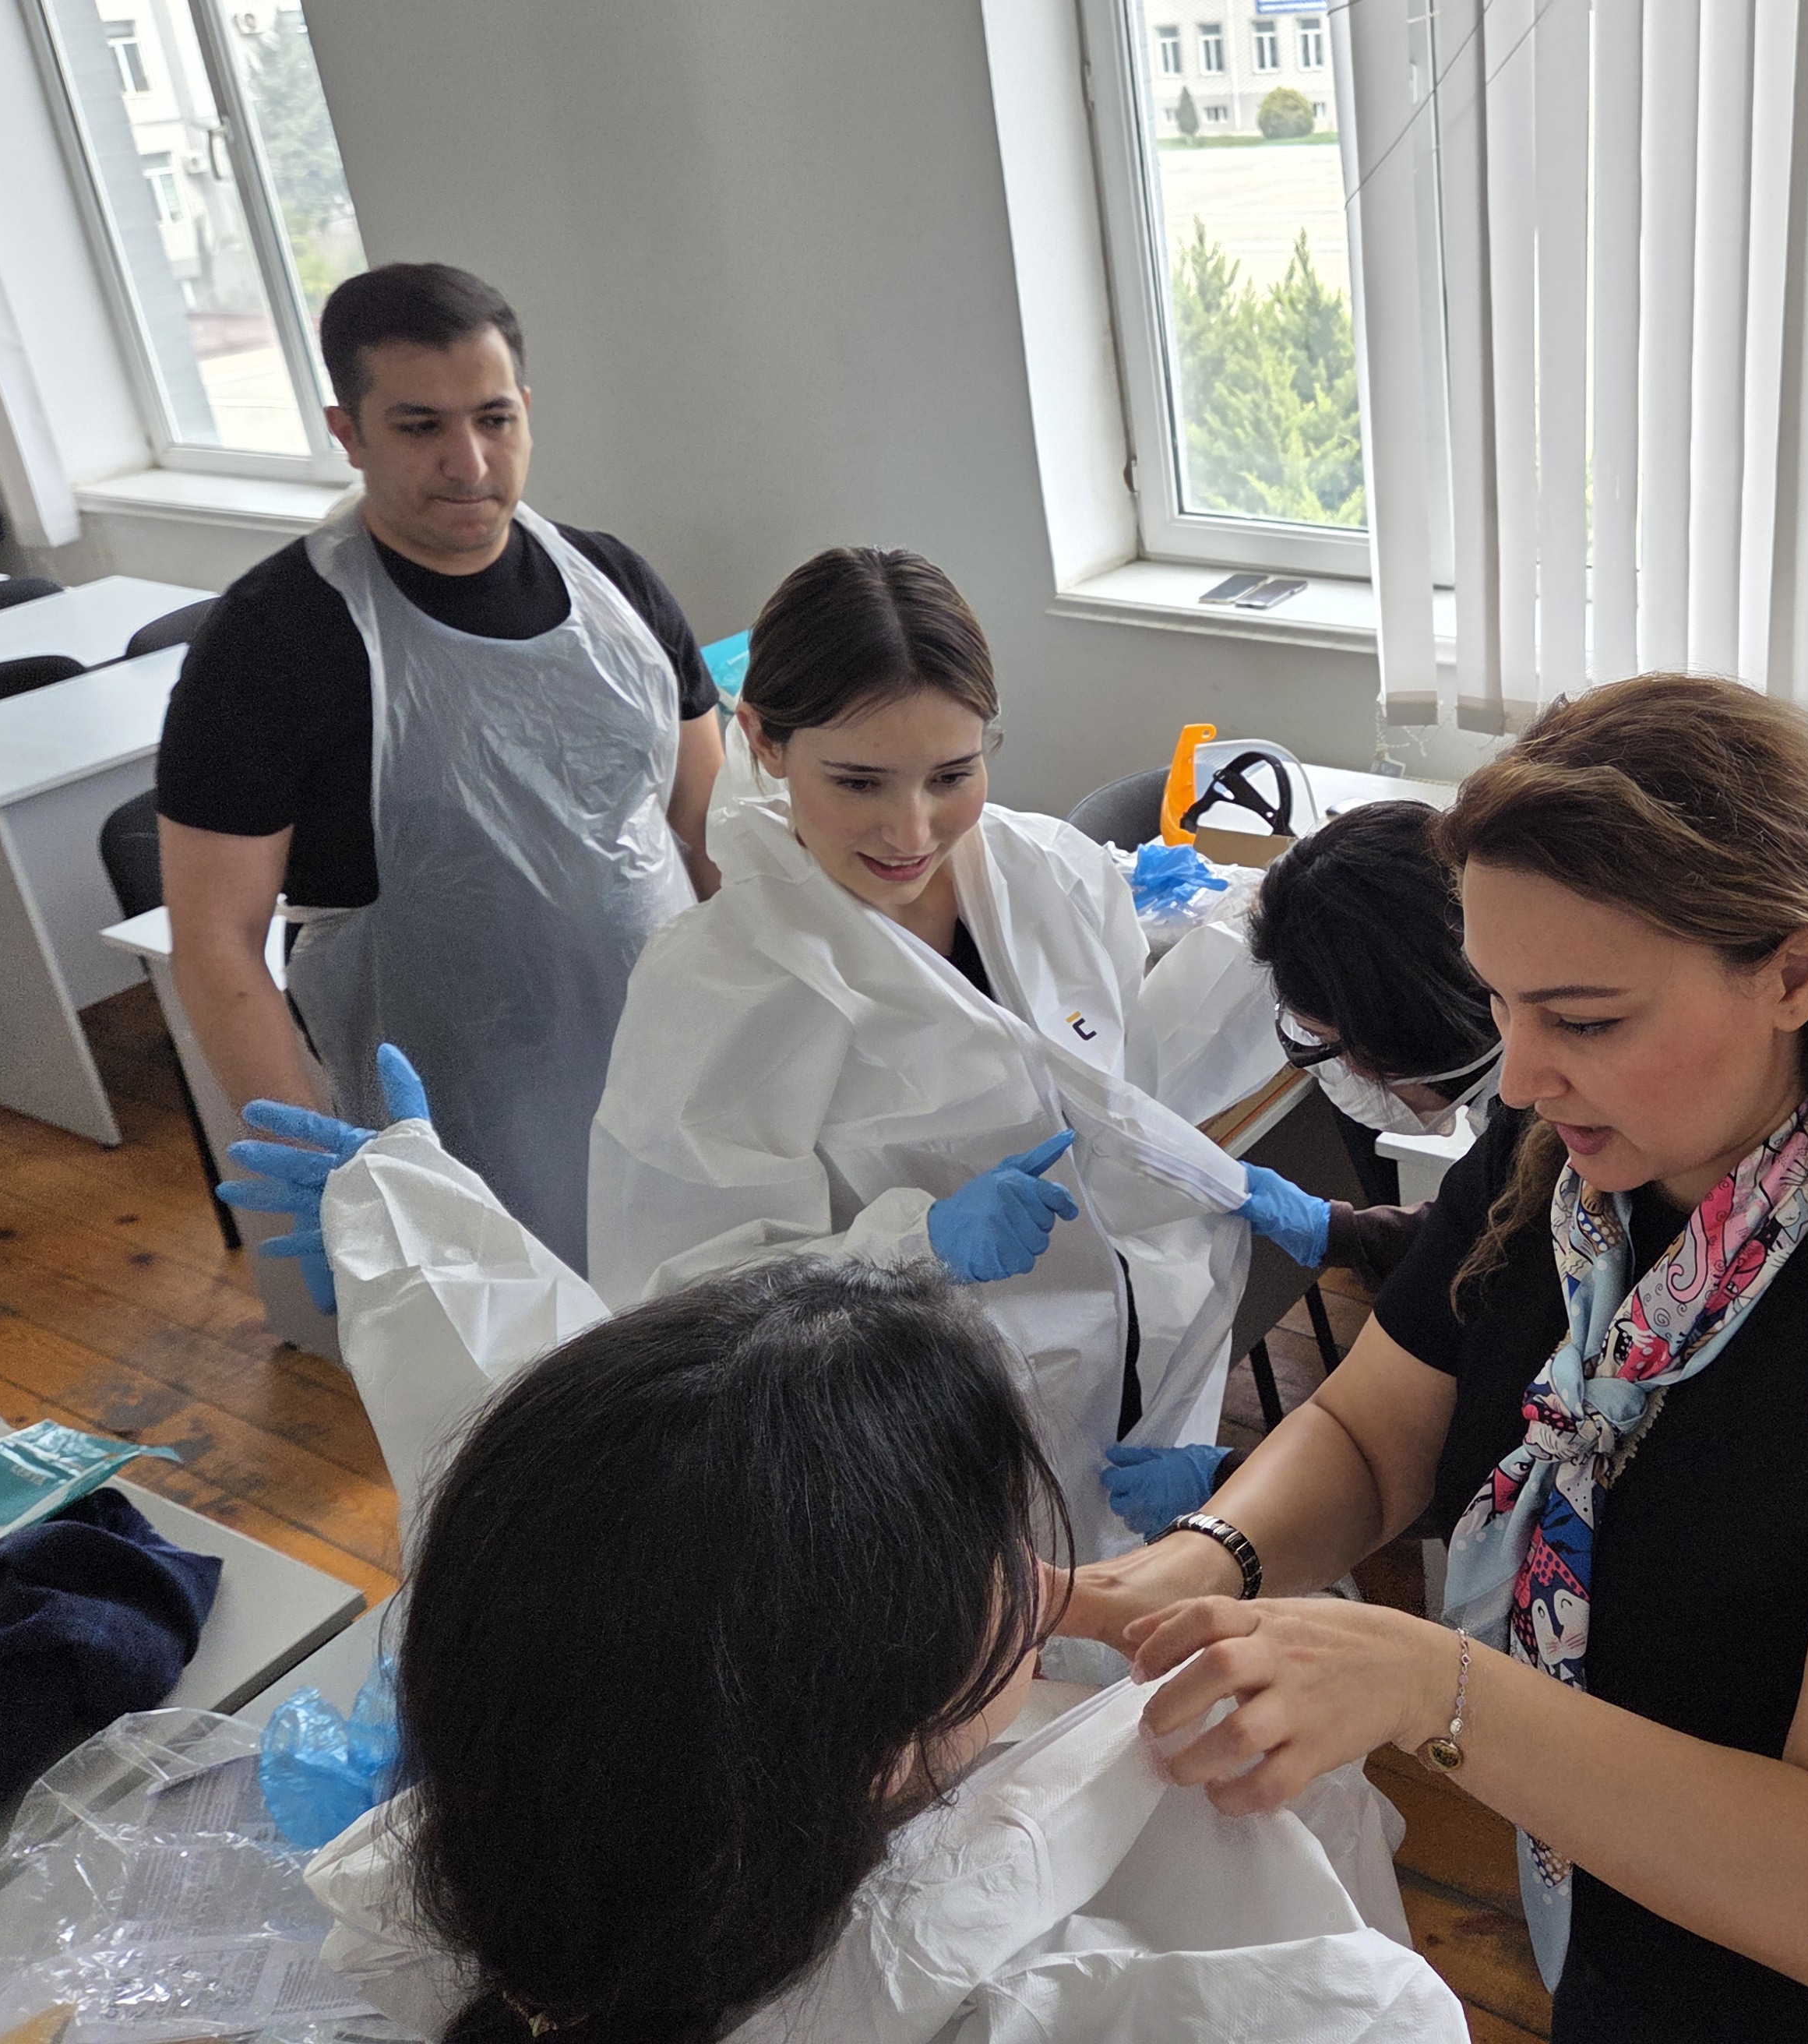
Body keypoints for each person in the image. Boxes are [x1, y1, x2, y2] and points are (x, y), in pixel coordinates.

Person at [1066, 673, 1808, 2042]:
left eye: (1585, 1020)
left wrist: (1427, 1684)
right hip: (1622, 1926)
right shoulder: (1566, 1167)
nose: (1519, 1076)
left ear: (1794, 972)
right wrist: (1197, 1566)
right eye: (1502, 1004)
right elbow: (1372, 1433)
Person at [284, 1112, 1461, 2044]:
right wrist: (1429, 1680)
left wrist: (418, 1238)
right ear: (872, 1736)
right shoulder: (1208, 2005)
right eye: (994, 1545)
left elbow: (642, 1506)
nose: (1042, 1573)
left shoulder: (567, 1825)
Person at [578, 546, 1296, 1551]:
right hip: (920, 1431)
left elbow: (1117, 1077)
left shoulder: (1050, 874)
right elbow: (685, 1298)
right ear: (764, 741)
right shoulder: (717, 984)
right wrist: (913, 1248)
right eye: (858, 782)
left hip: (1134, 1364)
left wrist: (1209, 1171)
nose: (910, 831)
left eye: (952, 775)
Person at [159, 262, 723, 1276]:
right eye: (420, 426)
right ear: (348, 432)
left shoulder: (619, 588)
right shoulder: (273, 642)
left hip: (679, 1085)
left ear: (526, 412)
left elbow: (714, 834)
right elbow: (214, 941)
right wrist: (330, 1172)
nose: (469, 461)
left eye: (494, 419)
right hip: (457, 1144)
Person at [1104, 798, 1504, 1538]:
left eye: (1325, 1042)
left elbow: (1498, 1470)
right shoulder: (1520, 1100)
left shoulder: (1569, 1137)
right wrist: (1345, 1232)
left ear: (1395, 1030)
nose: (1341, 1073)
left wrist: (1236, 1484)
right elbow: (1490, 1231)